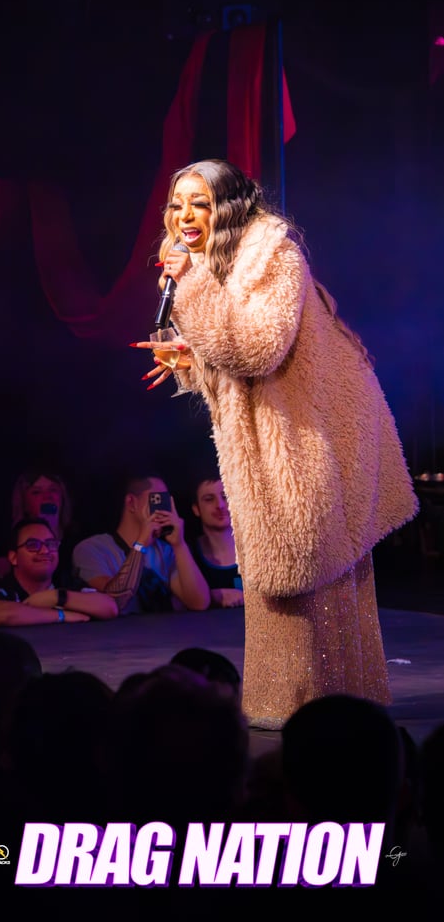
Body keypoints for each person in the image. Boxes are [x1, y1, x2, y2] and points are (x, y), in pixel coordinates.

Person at [133, 158, 418, 729]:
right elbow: (235, 357)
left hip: (315, 437)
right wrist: (188, 360)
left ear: (229, 207)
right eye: (176, 205)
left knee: (307, 567)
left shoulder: (273, 255)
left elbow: (259, 349)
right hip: (274, 437)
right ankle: (306, 704)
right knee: (285, 571)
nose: (184, 217)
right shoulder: (212, 265)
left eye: (199, 203)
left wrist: (190, 288)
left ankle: (319, 708)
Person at [71, 473, 210, 615]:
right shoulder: (92, 549)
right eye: (156, 499)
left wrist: (179, 545)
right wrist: (141, 543)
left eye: (166, 500)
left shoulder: (166, 551)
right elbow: (115, 600)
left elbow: (199, 603)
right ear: (131, 502)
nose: (163, 508)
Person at [0, 517, 117, 625]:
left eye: (51, 544)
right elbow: (2, 615)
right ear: (13, 558)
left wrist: (56, 597)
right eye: (33, 545)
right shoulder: (2, 588)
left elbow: (110, 607)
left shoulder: (65, 583)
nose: (45, 551)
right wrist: (61, 615)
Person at [189, 474, 244, 608]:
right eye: (209, 499)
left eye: (225, 496)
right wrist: (212, 596)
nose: (220, 505)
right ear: (196, 509)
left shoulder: (257, 549)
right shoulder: (189, 554)